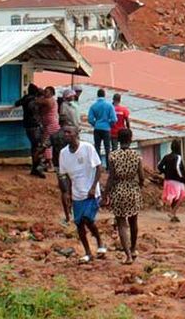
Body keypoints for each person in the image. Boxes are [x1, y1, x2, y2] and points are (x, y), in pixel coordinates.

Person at [57, 127, 107, 262]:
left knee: (88, 219)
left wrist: (93, 187)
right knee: (79, 224)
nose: (66, 135)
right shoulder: (63, 153)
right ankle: (88, 252)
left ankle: (100, 242)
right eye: (65, 133)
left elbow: (98, 167)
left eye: (69, 132)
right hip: (77, 193)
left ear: (76, 134)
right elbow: (64, 175)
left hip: (91, 193)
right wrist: (66, 192)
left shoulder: (87, 148)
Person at [103, 127, 145, 264]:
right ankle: (133, 249)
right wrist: (139, 186)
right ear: (131, 139)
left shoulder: (113, 156)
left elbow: (111, 178)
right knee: (134, 221)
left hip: (118, 191)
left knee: (121, 223)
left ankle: (127, 255)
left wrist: (105, 193)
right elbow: (142, 177)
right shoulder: (137, 156)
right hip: (133, 190)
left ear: (119, 140)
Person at [15, 84, 46, 178]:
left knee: (34, 147)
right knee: (38, 147)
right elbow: (35, 111)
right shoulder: (34, 101)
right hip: (35, 125)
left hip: (28, 125)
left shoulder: (26, 99)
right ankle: (37, 168)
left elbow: (16, 103)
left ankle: (35, 168)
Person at [157, 143, 185, 223]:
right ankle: (172, 212)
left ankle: (173, 216)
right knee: (182, 196)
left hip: (167, 181)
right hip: (176, 181)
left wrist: (165, 172)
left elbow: (159, 166)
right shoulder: (178, 157)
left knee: (175, 198)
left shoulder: (166, 156)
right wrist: (183, 178)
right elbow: (177, 167)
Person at [87, 89, 117, 169]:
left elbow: (90, 119)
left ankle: (98, 166)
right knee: (107, 148)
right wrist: (109, 125)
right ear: (104, 95)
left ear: (97, 95)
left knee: (97, 147)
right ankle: (108, 166)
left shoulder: (93, 106)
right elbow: (114, 119)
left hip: (97, 128)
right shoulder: (109, 106)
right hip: (106, 129)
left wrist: (95, 124)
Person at [39, 86, 60, 171]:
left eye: (46, 91)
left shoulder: (49, 100)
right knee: (47, 143)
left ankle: (50, 164)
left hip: (51, 125)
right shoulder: (51, 100)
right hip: (49, 124)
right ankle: (49, 163)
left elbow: (38, 102)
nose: (45, 93)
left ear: (51, 93)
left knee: (46, 144)